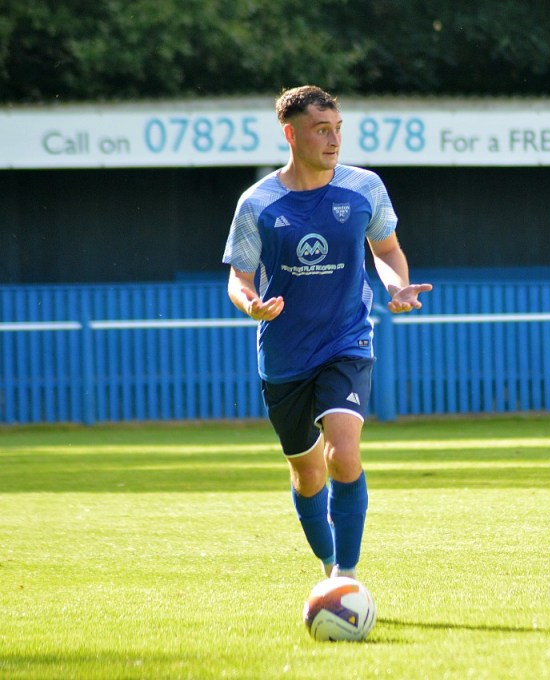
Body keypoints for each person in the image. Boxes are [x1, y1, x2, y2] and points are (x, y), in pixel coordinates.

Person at [222, 85, 431, 580]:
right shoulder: (257, 203)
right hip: (285, 354)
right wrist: (251, 304)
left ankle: (347, 578)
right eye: (321, 130)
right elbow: (239, 277)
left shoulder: (364, 188)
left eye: (337, 129)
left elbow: (386, 249)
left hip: (346, 340)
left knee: (343, 452)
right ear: (291, 135)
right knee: (308, 471)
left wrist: (397, 286)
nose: (334, 140)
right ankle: (328, 564)